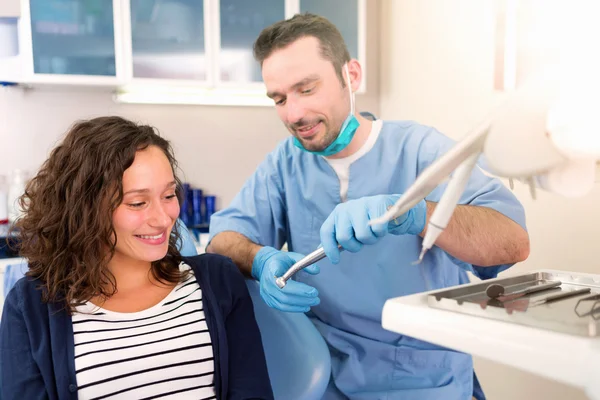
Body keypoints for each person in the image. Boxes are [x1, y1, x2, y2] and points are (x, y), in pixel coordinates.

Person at [207, 13, 530, 400]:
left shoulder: (420, 150)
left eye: (306, 89)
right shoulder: (285, 165)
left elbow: (512, 242)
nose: (292, 114)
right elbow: (222, 241)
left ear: (352, 75)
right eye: (279, 99)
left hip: (424, 380)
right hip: (322, 376)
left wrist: (416, 213)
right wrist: (259, 259)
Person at [0, 116, 273, 400]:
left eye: (168, 195)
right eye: (137, 203)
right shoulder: (31, 306)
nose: (162, 218)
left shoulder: (219, 281)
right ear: (85, 209)